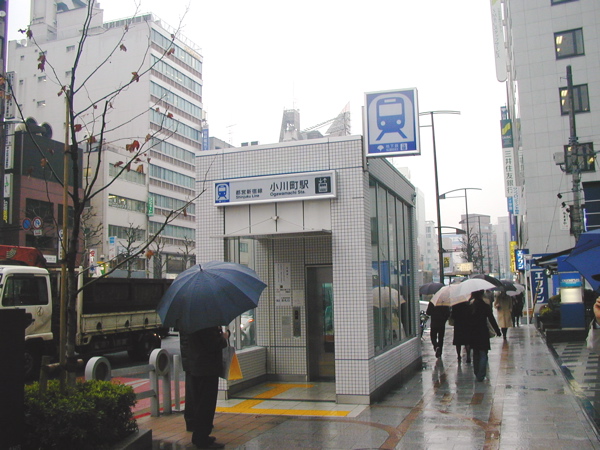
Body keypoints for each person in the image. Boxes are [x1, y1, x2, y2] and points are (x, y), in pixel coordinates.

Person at [180, 326, 230, 449]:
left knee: (199, 403)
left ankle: (199, 436)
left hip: (196, 367)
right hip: (207, 369)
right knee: (206, 405)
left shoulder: (190, 324)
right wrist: (224, 337)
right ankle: (202, 438)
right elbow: (213, 343)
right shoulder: (206, 325)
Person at [470, 290, 502, 382]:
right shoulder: (485, 306)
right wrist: (497, 331)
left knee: (475, 353)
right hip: (483, 331)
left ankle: (477, 372)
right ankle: (481, 374)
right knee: (483, 353)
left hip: (473, 332)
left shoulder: (471, 306)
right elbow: (491, 319)